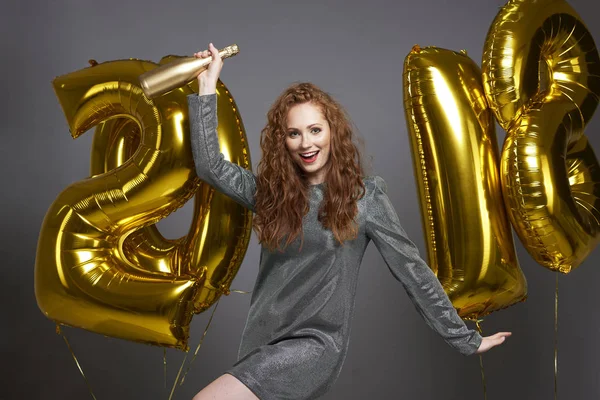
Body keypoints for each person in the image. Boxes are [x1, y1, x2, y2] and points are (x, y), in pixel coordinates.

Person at [188, 43, 511, 400]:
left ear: (332, 132)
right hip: (260, 342)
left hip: (313, 346)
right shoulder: (270, 194)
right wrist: (207, 86)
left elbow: (413, 271)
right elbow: (210, 166)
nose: (306, 143)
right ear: (284, 141)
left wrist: (464, 338)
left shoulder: (365, 198)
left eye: (315, 130)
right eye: (294, 133)